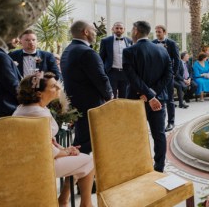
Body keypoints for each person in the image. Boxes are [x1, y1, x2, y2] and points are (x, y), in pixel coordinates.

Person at [13, 72, 98, 207]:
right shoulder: (39, 114)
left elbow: (47, 140)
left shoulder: (28, 108)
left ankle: (63, 201)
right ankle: (85, 206)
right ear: (39, 93)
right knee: (88, 161)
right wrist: (67, 152)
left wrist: (65, 149)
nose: (58, 87)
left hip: (31, 159)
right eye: (53, 86)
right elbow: (47, 150)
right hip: (39, 164)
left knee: (78, 159)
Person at [123, 21, 172, 173]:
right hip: (158, 100)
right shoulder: (162, 50)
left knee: (136, 134)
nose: (131, 31)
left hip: (136, 101)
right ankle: (159, 168)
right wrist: (153, 94)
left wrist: (149, 95)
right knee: (159, 134)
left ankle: (139, 166)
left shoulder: (129, 51)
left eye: (132, 29)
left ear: (136, 31)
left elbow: (132, 78)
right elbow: (168, 75)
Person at [61, 20, 113, 154]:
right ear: (85, 32)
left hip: (77, 105)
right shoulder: (87, 53)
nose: (95, 33)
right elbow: (101, 79)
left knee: (82, 141)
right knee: (88, 143)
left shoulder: (68, 50)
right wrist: (110, 97)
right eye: (93, 30)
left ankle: (77, 172)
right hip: (90, 106)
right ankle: (79, 172)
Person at [152, 25, 180, 132]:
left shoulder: (171, 43)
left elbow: (177, 60)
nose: (157, 34)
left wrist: (173, 74)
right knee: (157, 98)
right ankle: (159, 122)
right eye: (156, 32)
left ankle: (171, 122)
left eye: (159, 32)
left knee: (169, 99)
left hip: (168, 76)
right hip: (156, 77)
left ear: (164, 32)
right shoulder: (153, 43)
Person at [99, 22, 132, 98]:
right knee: (111, 96)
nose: (119, 30)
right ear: (113, 29)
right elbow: (101, 58)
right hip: (112, 73)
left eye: (121, 28)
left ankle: (122, 110)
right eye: (117, 28)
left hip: (125, 73)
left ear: (124, 30)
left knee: (124, 96)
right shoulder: (105, 41)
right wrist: (104, 72)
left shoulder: (129, 41)